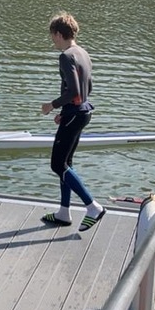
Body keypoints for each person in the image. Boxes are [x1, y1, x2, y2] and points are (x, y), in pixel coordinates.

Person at [40, 12, 105, 231]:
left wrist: (52, 105)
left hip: (75, 114)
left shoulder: (66, 56)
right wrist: (66, 111)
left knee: (57, 164)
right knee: (66, 163)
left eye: (52, 36)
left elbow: (74, 90)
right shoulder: (83, 53)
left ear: (59, 34)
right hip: (81, 112)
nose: (52, 41)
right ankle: (64, 212)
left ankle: (93, 207)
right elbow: (88, 88)